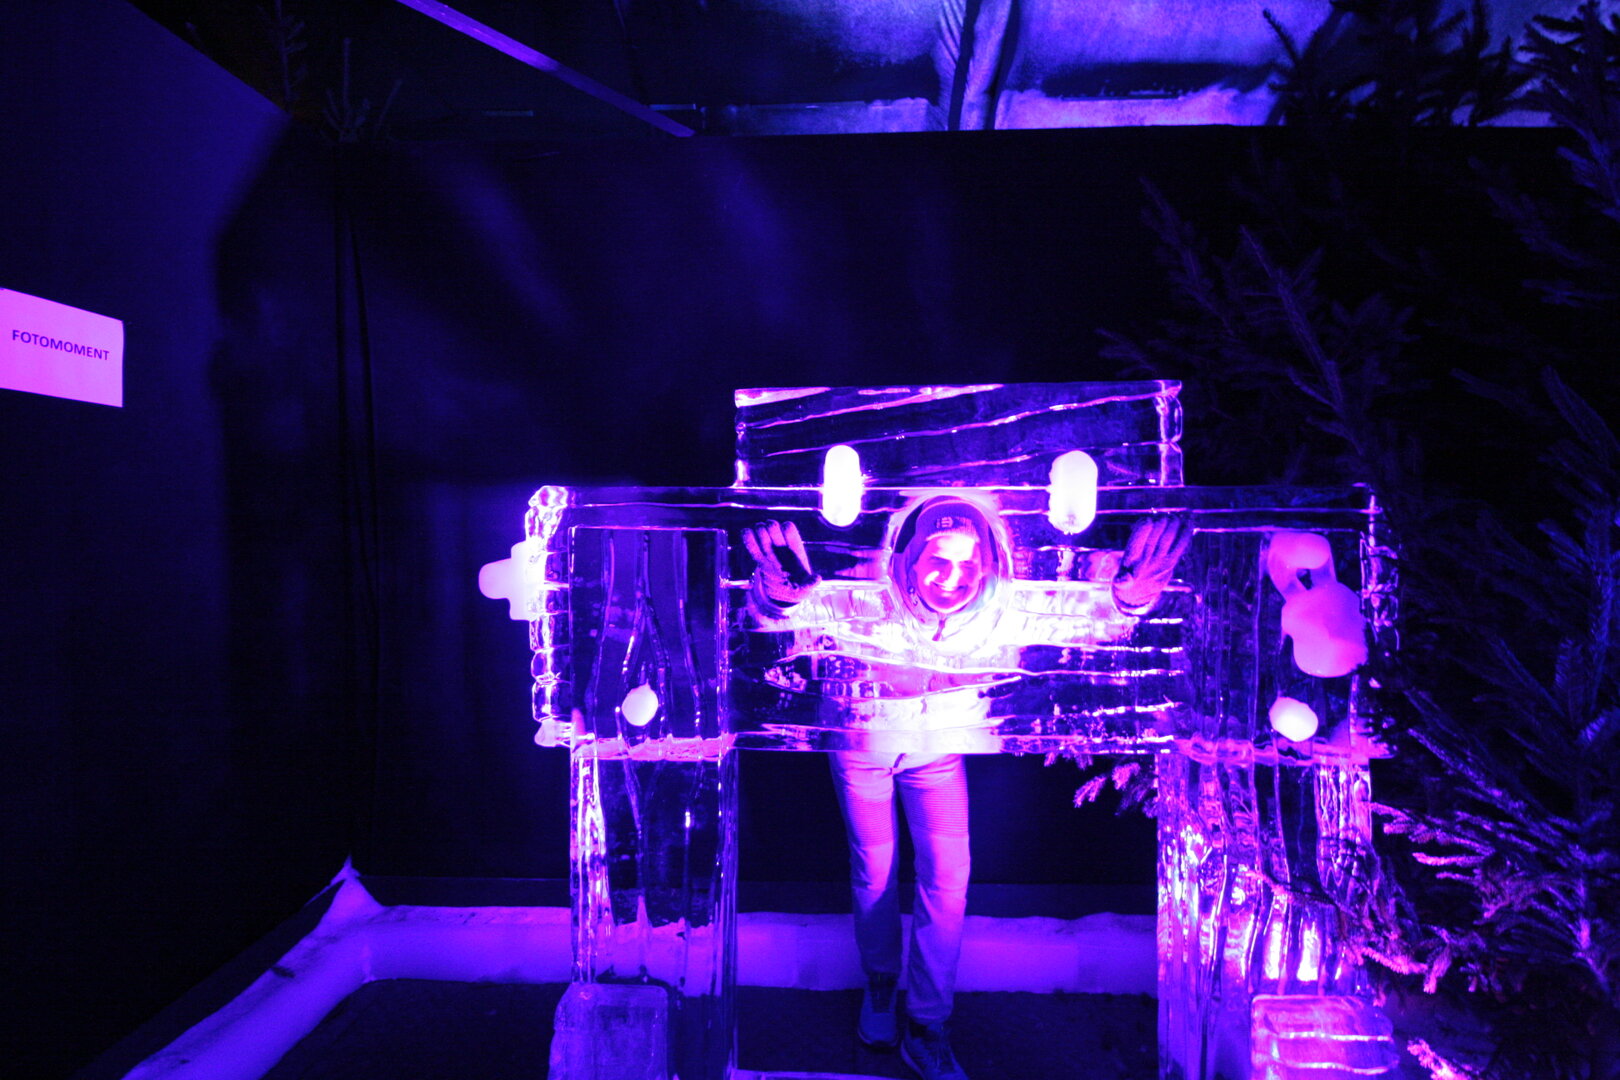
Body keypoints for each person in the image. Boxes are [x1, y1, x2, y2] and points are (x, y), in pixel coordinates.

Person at [743, 500, 1189, 1080]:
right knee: (874, 871)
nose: (952, 576)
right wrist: (778, 597)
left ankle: (927, 1024)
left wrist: (1130, 601)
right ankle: (881, 985)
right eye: (938, 559)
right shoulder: (866, 592)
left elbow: (1082, 621)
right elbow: (788, 619)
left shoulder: (1002, 609)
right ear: (910, 556)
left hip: (938, 752)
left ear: (986, 565)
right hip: (862, 746)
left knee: (949, 877)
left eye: (968, 563)